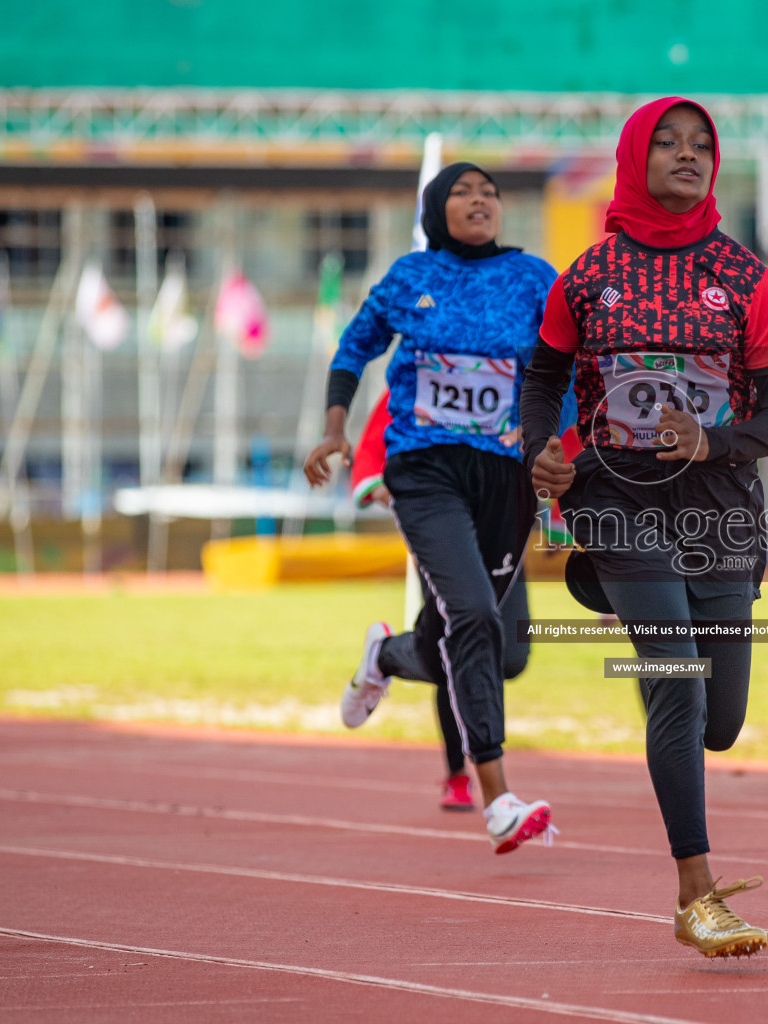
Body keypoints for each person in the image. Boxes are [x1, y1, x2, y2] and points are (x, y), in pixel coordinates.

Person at [519, 98, 768, 956]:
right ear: (634, 157)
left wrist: (711, 438)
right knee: (676, 682)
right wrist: (543, 450)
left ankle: (652, 626)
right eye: (669, 143)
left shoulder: (745, 277)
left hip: (720, 507)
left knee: (721, 721)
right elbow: (542, 381)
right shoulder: (587, 276)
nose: (688, 155)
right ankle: (696, 893)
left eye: (702, 145)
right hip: (614, 496)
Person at [305, 161, 558, 854]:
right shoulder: (409, 278)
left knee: (474, 636)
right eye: (462, 193)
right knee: (474, 615)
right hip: (423, 469)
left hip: (506, 476)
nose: (480, 201)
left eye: (490, 193)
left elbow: (564, 366)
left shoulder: (536, 279)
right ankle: (497, 795)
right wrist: (336, 426)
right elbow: (355, 347)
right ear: (435, 210)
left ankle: (385, 655)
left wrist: (562, 448)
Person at [347, 389, 532, 813]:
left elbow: (559, 424)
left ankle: (388, 654)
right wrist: (386, 489)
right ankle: (461, 774)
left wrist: (557, 511)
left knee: (510, 657)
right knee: (464, 641)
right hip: (444, 530)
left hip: (504, 521)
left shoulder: (521, 359)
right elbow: (375, 442)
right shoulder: (430, 356)